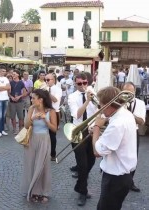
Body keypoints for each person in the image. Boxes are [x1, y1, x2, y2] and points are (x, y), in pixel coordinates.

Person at [92, 86, 137, 210]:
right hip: (122, 176)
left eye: (100, 105)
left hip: (115, 179)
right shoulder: (126, 114)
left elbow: (97, 152)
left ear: (108, 105)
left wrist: (96, 127)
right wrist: (103, 127)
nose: (100, 109)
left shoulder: (117, 124)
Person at [21, 89, 57, 203]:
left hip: (44, 140)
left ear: (40, 100)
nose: (31, 100)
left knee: (43, 165)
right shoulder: (31, 109)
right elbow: (26, 125)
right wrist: (32, 118)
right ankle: (33, 191)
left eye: (33, 98)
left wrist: (45, 121)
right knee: (31, 164)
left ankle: (44, 192)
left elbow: (54, 129)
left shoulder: (51, 111)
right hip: (32, 140)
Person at [68, 73, 97, 206]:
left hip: (91, 131)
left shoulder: (94, 93)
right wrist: (87, 101)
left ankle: (80, 184)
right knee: (82, 164)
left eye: (85, 83)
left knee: (91, 161)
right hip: (77, 131)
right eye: (79, 83)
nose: (83, 86)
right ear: (75, 83)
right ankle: (82, 192)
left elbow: (101, 111)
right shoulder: (72, 97)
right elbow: (77, 114)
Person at [123, 82, 146, 192]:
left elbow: (141, 121)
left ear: (134, 92)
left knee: (133, 158)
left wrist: (128, 113)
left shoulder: (140, 103)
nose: (127, 94)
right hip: (120, 132)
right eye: (125, 92)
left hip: (133, 132)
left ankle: (129, 182)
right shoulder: (118, 102)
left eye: (129, 92)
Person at [45, 73, 62, 161]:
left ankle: (53, 154)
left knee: (52, 135)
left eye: (48, 80)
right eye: (45, 80)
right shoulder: (44, 88)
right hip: (44, 112)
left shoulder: (58, 89)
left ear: (53, 80)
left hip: (54, 112)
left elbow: (55, 100)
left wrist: (47, 93)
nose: (46, 82)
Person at [9, 70, 26, 134]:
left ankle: (20, 129)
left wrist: (19, 96)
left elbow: (25, 92)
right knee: (12, 116)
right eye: (12, 74)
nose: (13, 75)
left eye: (14, 74)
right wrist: (11, 97)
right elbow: (8, 92)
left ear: (18, 75)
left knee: (20, 116)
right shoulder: (10, 82)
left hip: (19, 102)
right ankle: (14, 129)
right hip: (12, 102)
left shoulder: (21, 83)